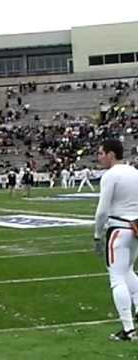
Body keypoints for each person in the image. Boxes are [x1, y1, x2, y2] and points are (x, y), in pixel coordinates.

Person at [94, 139, 138, 341]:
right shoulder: (134, 172)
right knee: (128, 271)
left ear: (111, 154)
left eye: (101, 153)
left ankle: (128, 329)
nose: (99, 157)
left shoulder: (111, 175)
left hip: (119, 228)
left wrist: (97, 234)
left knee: (117, 278)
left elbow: (102, 210)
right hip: (135, 227)